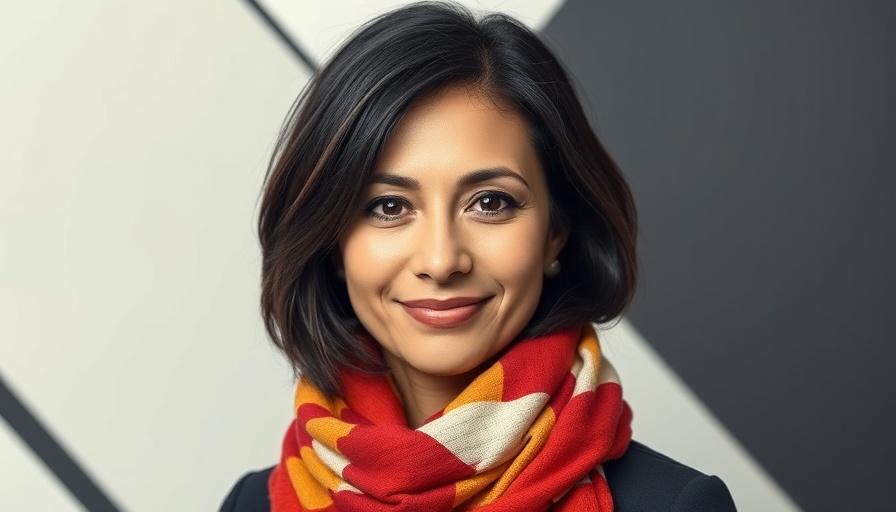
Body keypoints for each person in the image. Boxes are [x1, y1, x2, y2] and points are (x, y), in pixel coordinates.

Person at [222, 2, 737, 511]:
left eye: (490, 203)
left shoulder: (676, 505)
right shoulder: (251, 504)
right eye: (389, 206)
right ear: (332, 243)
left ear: (555, 233)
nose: (442, 260)